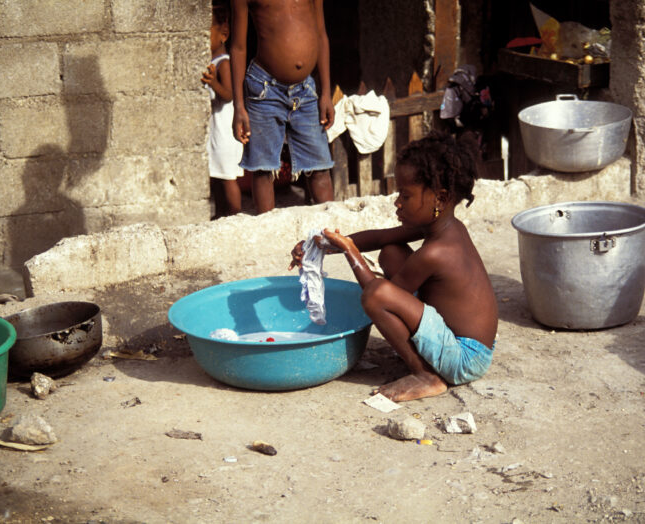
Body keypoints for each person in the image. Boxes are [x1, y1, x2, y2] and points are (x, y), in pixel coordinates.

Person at [289, 133, 498, 402]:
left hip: (464, 358)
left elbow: (378, 294)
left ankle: (425, 374)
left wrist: (350, 251)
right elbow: (380, 238)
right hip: (472, 342)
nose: (397, 201)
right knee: (391, 252)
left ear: (440, 199)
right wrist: (324, 245)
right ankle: (426, 361)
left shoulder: (437, 252)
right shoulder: (445, 226)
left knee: (376, 296)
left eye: (406, 195)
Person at [230, 0, 335, 214]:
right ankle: (268, 233)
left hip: (306, 90)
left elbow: (321, 35)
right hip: (264, 88)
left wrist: (326, 93)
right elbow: (238, 47)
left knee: (319, 166)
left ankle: (330, 234)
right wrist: (239, 106)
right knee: (263, 167)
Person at [203, 1, 245, 218]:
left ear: (224, 33)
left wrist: (213, 84)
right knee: (218, 177)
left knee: (228, 177)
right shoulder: (213, 61)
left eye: (207, 29)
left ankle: (235, 215)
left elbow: (228, 94)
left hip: (226, 133)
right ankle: (221, 215)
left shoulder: (224, 63)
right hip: (216, 133)